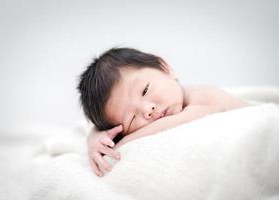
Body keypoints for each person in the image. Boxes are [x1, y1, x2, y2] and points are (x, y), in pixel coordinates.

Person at [77, 47, 247, 177]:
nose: (147, 110)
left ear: (165, 68)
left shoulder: (203, 95)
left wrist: (123, 142)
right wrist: (95, 139)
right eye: (131, 119)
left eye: (144, 90)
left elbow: (182, 121)